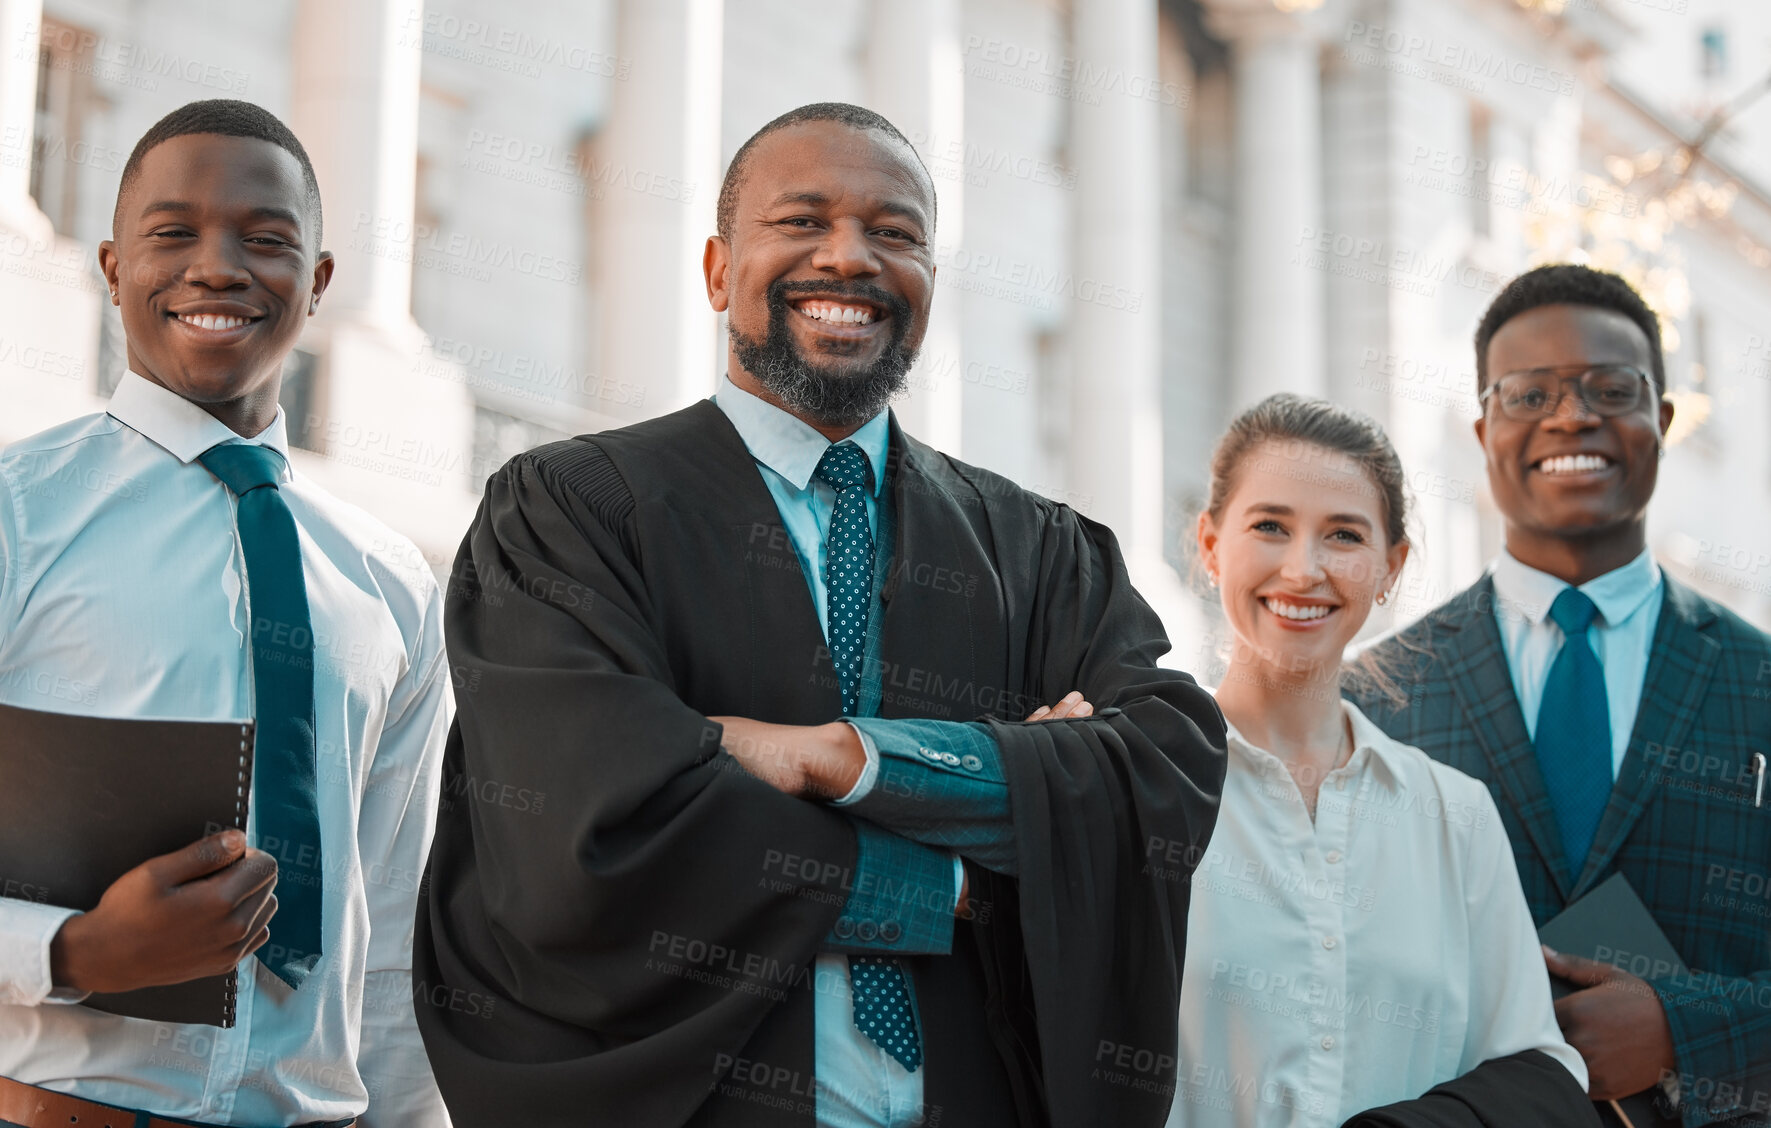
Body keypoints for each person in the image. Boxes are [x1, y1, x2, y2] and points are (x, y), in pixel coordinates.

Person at [412, 102, 1227, 1128]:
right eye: (801, 222)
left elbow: (1163, 770)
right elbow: (587, 821)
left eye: (895, 234)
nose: (849, 258)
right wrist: (971, 867)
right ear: (716, 270)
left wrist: (846, 759)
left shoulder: (1037, 549)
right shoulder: (574, 514)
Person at [0, 101, 451, 1128]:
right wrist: (72, 952)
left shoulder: (392, 583)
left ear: (320, 281)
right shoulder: (17, 517)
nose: (217, 267)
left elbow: (389, 931)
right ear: (112, 267)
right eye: (173, 234)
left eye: (266, 240)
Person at [1348, 264, 1771, 1126]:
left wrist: (1682, 1032)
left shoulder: (1756, 679)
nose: (1570, 415)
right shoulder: (1372, 700)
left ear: (1661, 419)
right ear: (1482, 429)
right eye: (1528, 393)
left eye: (1609, 388)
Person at [1171, 393, 1594, 1127]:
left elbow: (1538, 1067)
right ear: (1210, 545)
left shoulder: (1454, 815)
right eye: (1270, 526)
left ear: (1390, 567)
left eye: (1342, 535)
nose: (1302, 569)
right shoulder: (1139, 782)